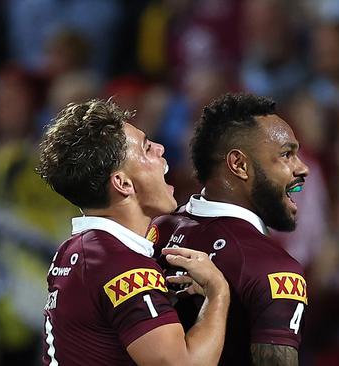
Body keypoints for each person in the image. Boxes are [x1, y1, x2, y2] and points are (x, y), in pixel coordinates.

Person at [36, 99, 230, 365]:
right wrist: (218, 292)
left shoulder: (73, 251)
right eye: (147, 148)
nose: (161, 149)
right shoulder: (124, 268)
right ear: (123, 183)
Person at [148, 93, 310, 365]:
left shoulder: (156, 230)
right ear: (239, 164)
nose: (302, 168)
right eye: (286, 155)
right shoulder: (274, 268)